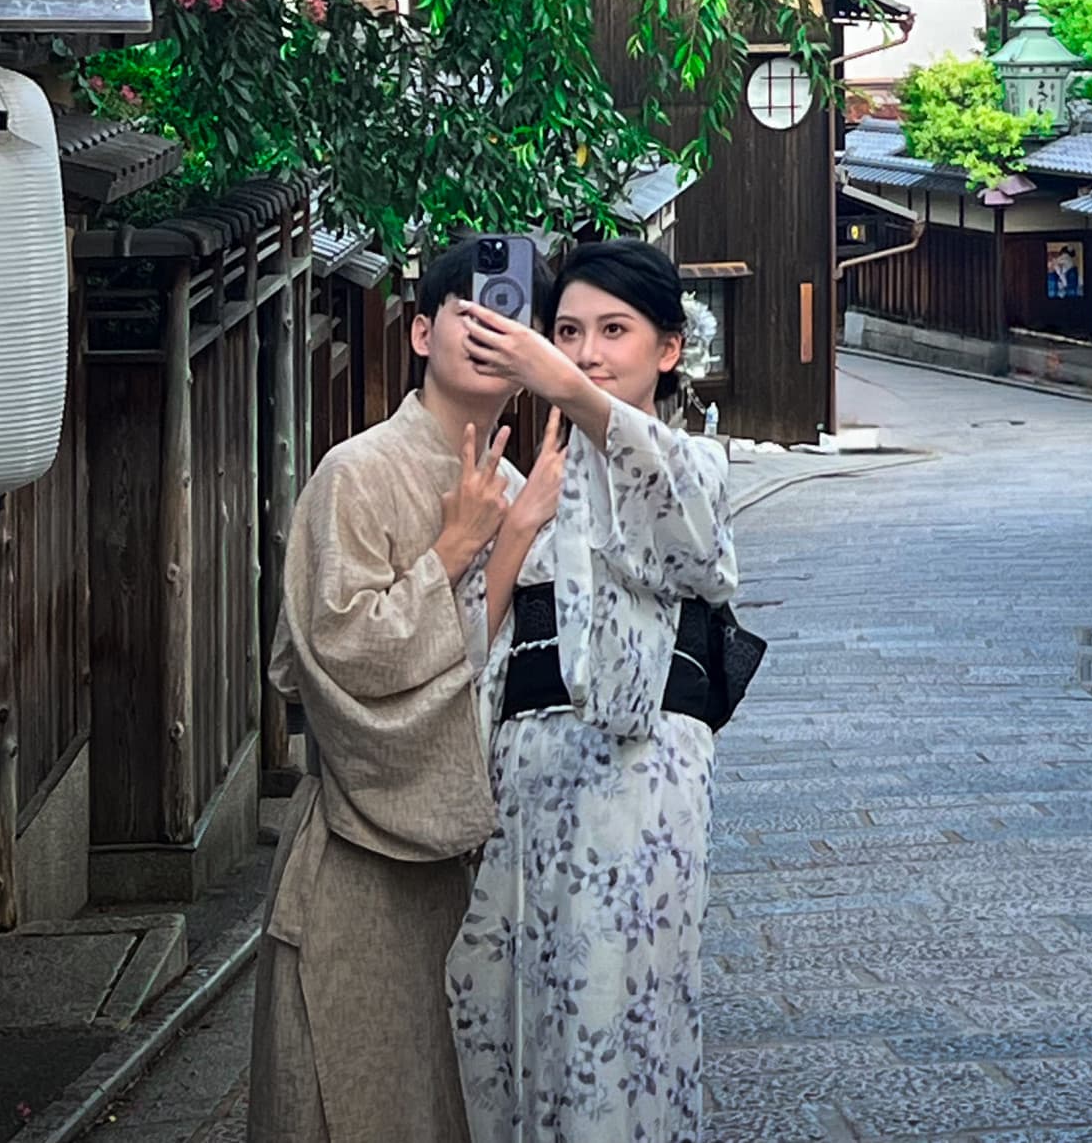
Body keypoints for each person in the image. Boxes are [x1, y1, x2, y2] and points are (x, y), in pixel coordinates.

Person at [247, 239, 564, 1143]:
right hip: (363, 873)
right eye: (472, 307)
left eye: (516, 314)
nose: (493, 326)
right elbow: (333, 663)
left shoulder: (523, 489)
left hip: (484, 882)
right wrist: (461, 550)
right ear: (422, 331)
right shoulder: (356, 471)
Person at [445, 238, 738, 1143]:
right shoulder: (504, 479)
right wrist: (508, 524)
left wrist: (568, 390)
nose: (587, 349)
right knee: (492, 1001)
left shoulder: (690, 462)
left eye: (615, 329)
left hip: (637, 777)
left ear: (669, 348)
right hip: (519, 774)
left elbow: (696, 548)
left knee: (615, 1016)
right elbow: (459, 642)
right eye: (568, 330)